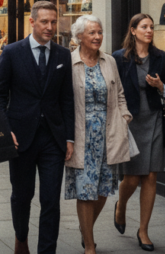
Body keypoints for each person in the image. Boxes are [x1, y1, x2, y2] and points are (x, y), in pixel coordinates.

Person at [0, 1, 75, 254]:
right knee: (22, 195)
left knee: (50, 200)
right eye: (44, 22)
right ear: (32, 22)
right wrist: (7, 131)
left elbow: (67, 99)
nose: (50, 27)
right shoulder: (12, 52)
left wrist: (69, 137)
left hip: (53, 138)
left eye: (53, 22)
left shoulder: (62, 55)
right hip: (21, 138)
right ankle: (21, 237)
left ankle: (46, 250)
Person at [65, 16, 132, 254]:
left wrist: (124, 118)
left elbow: (120, 93)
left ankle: (86, 230)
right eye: (92, 33)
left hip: (109, 135)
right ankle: (90, 246)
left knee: (103, 189)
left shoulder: (110, 61)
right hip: (81, 136)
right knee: (85, 190)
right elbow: (62, 101)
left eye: (100, 32)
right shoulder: (68, 62)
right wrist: (66, 137)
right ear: (79, 37)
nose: (97, 37)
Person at [112, 13, 165, 252]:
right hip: (130, 122)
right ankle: (121, 206)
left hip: (154, 119)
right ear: (133, 30)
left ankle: (143, 230)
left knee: (150, 176)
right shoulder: (119, 58)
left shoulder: (160, 57)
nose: (149, 30)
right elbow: (113, 90)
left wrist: (160, 86)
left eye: (151, 27)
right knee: (132, 177)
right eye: (144, 27)